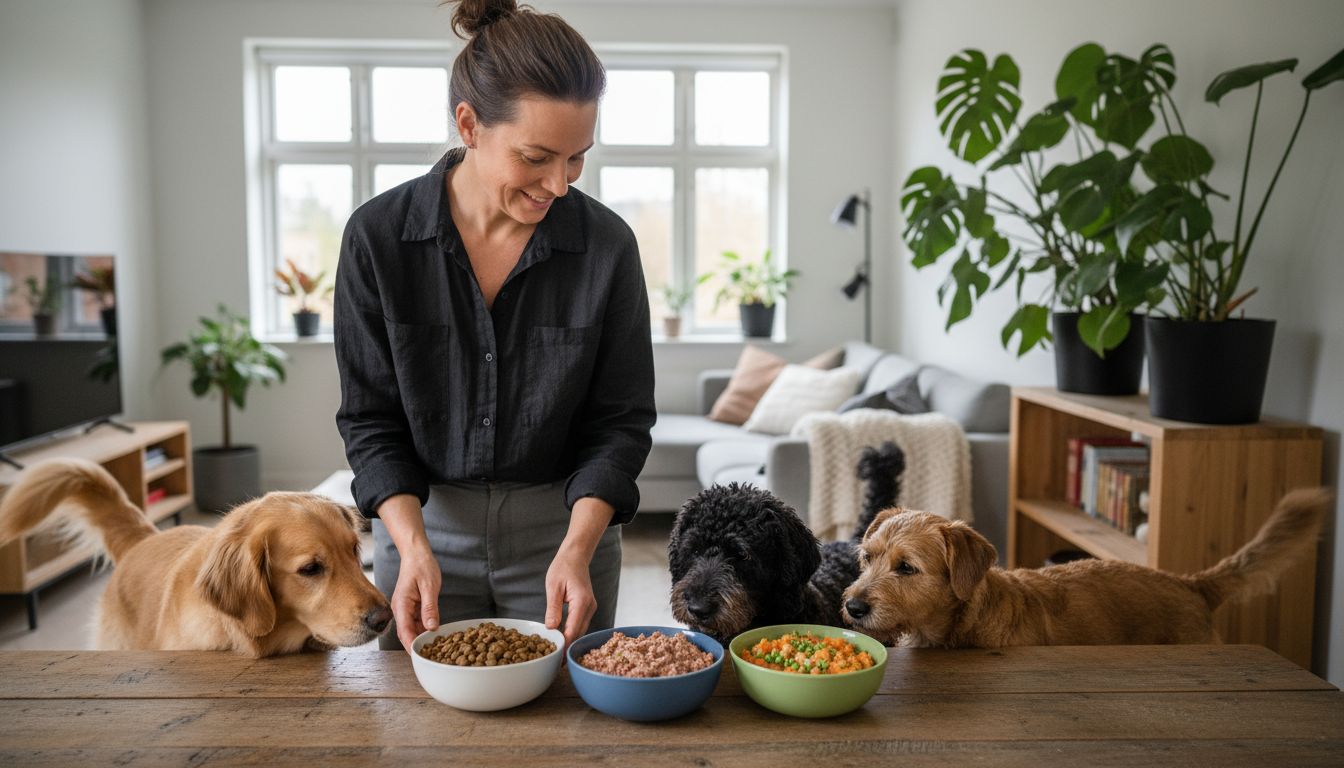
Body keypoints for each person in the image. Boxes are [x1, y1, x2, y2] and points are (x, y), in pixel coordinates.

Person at [334, 0, 655, 652]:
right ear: (470, 124)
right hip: (422, 527)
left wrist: (577, 549)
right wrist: (414, 548)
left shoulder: (607, 246)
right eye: (537, 157)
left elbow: (620, 423)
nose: (559, 185)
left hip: (567, 530)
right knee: (418, 732)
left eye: (576, 158)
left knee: (568, 733)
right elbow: (370, 421)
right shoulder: (378, 239)